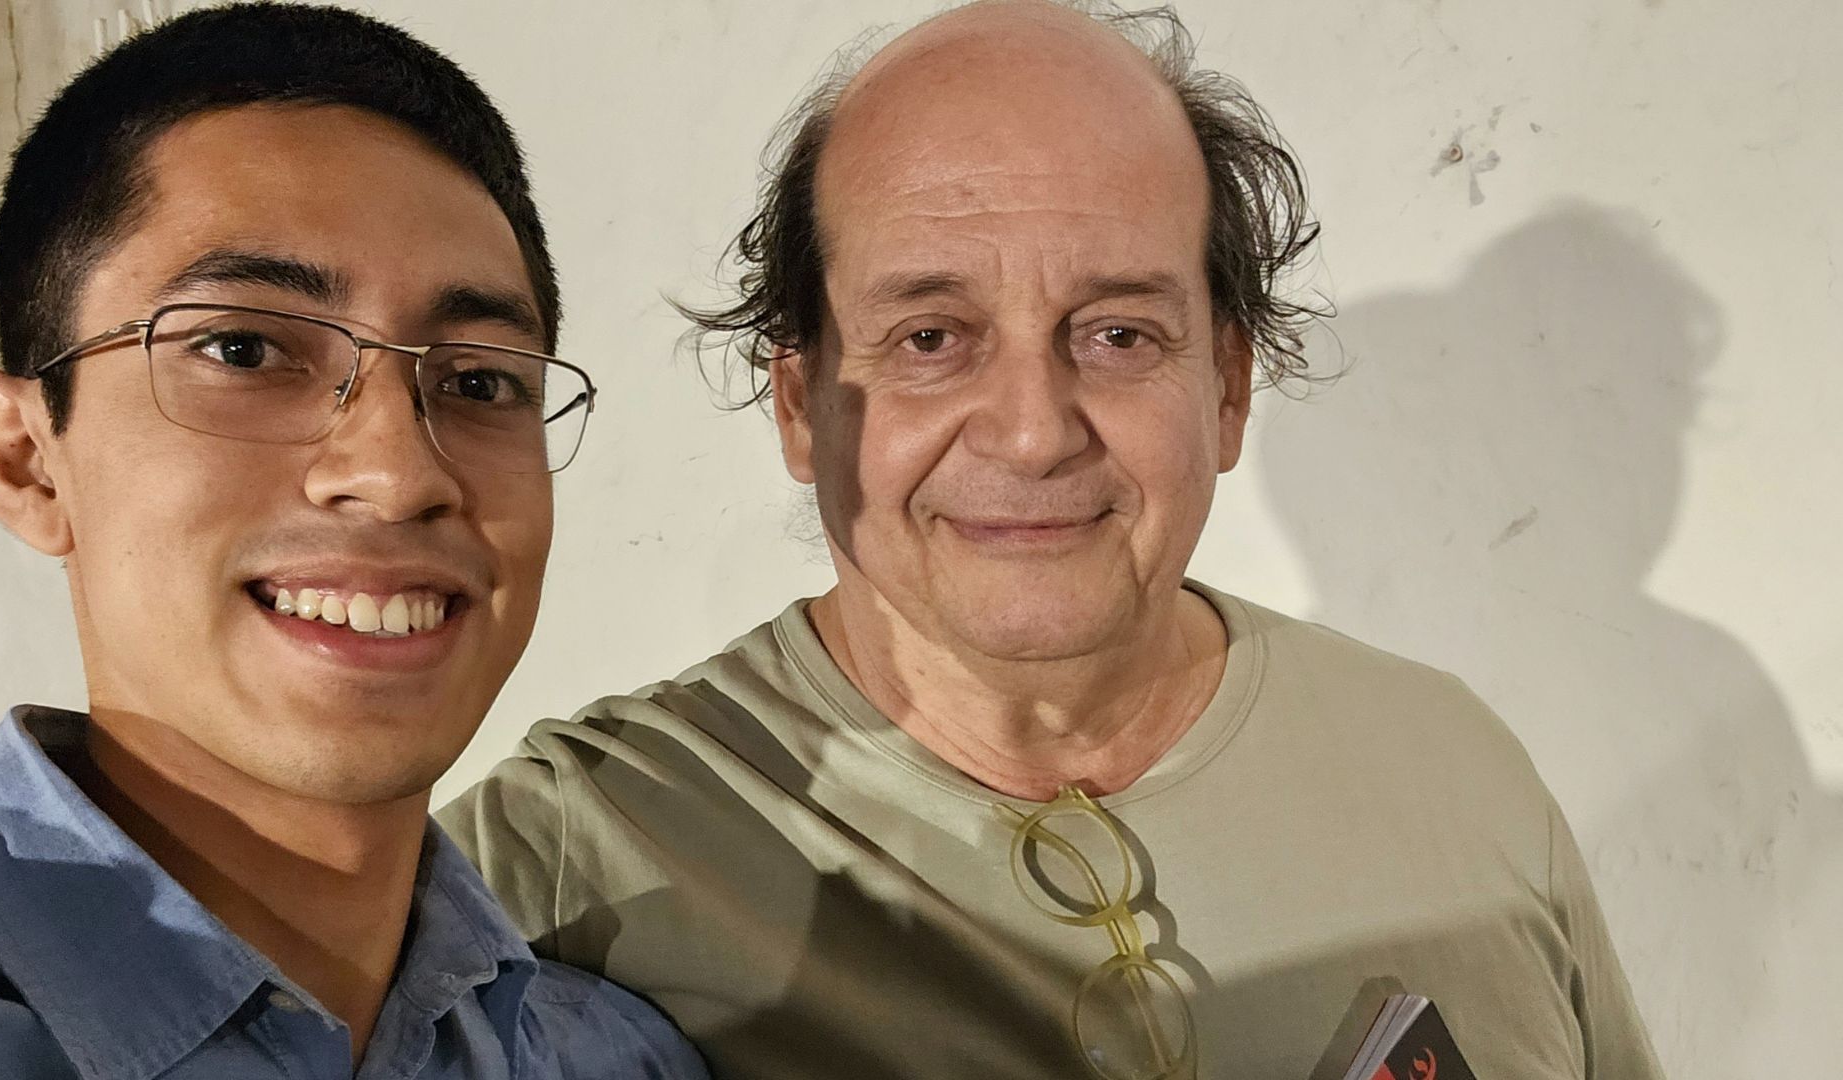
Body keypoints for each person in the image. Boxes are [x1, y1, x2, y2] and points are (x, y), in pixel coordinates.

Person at [441, 1, 1664, 1078]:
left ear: (1228, 388)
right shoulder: (560, 864)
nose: (1032, 433)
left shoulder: (1456, 771)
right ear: (800, 406)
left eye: (1119, 334)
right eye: (931, 338)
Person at [0, 5, 707, 1078]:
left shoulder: (615, 1058)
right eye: (243, 350)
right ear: (27, 460)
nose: (398, 474)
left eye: (480, 382)